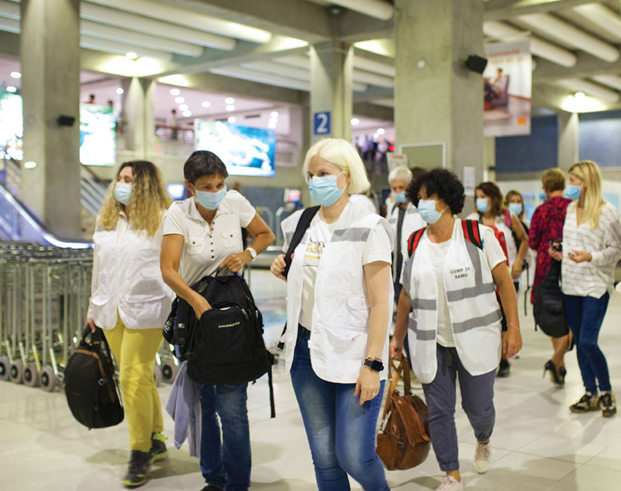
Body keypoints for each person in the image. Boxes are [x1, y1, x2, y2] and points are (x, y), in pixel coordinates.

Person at [270, 138, 392, 491]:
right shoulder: (299, 223)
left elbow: (380, 302)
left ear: (347, 174)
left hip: (356, 354)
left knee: (354, 454)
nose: (314, 181)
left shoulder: (371, 225)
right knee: (325, 459)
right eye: (310, 174)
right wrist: (284, 267)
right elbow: (307, 275)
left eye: (323, 173)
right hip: (305, 352)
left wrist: (372, 365)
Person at [390, 168, 521, 491]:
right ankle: (451, 473)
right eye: (417, 199)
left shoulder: (478, 236)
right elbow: (406, 294)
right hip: (429, 341)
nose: (421, 205)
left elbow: (504, 282)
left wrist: (513, 327)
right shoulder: (415, 241)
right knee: (439, 411)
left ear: (446, 200)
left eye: (426, 199)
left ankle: (483, 437)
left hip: (476, 338)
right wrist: (397, 336)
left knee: (479, 407)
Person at [160, 150, 275, 491]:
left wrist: (247, 253)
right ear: (190, 187)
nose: (216, 189)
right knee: (204, 405)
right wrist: (196, 302)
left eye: (220, 183)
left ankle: (238, 483)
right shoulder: (177, 214)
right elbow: (168, 269)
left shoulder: (235, 203)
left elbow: (265, 235)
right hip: (195, 320)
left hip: (231, 317)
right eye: (207, 185)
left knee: (232, 406)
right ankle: (214, 478)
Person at [86, 161, 174, 488]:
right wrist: (92, 305)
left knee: (132, 377)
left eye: (130, 180)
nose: (122, 184)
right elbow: (99, 267)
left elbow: (172, 264)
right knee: (138, 377)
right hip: (109, 309)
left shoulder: (163, 220)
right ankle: (155, 437)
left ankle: (138, 450)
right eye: (120, 178)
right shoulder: (105, 221)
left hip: (147, 310)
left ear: (146, 186)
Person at [549, 161, 621, 417]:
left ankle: (606, 392)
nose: (568, 186)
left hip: (595, 285)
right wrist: (560, 253)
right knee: (580, 342)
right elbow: (571, 244)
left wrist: (590, 256)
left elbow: (617, 250)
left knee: (589, 341)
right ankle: (589, 392)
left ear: (586, 183)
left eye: (572, 180)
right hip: (570, 284)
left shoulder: (607, 212)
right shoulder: (569, 211)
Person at [467, 181, 526, 377]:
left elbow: (524, 239)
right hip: (481, 279)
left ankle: (503, 358)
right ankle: (489, 355)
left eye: (484, 196)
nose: (480, 201)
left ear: (493, 197)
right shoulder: (473, 219)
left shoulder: (507, 217)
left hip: (507, 275)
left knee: (505, 316)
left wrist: (518, 261)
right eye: (478, 197)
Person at [528, 168, 575, 386]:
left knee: (553, 314)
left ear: (545, 187)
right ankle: (559, 362)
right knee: (571, 315)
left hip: (546, 270)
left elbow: (533, 242)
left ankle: (556, 359)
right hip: (571, 266)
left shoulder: (540, 211)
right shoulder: (572, 208)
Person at [386, 166, 426, 304]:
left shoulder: (420, 207)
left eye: (401, 188)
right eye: (394, 188)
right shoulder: (392, 209)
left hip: (417, 269)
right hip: (396, 271)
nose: (397, 192)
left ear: (410, 186)